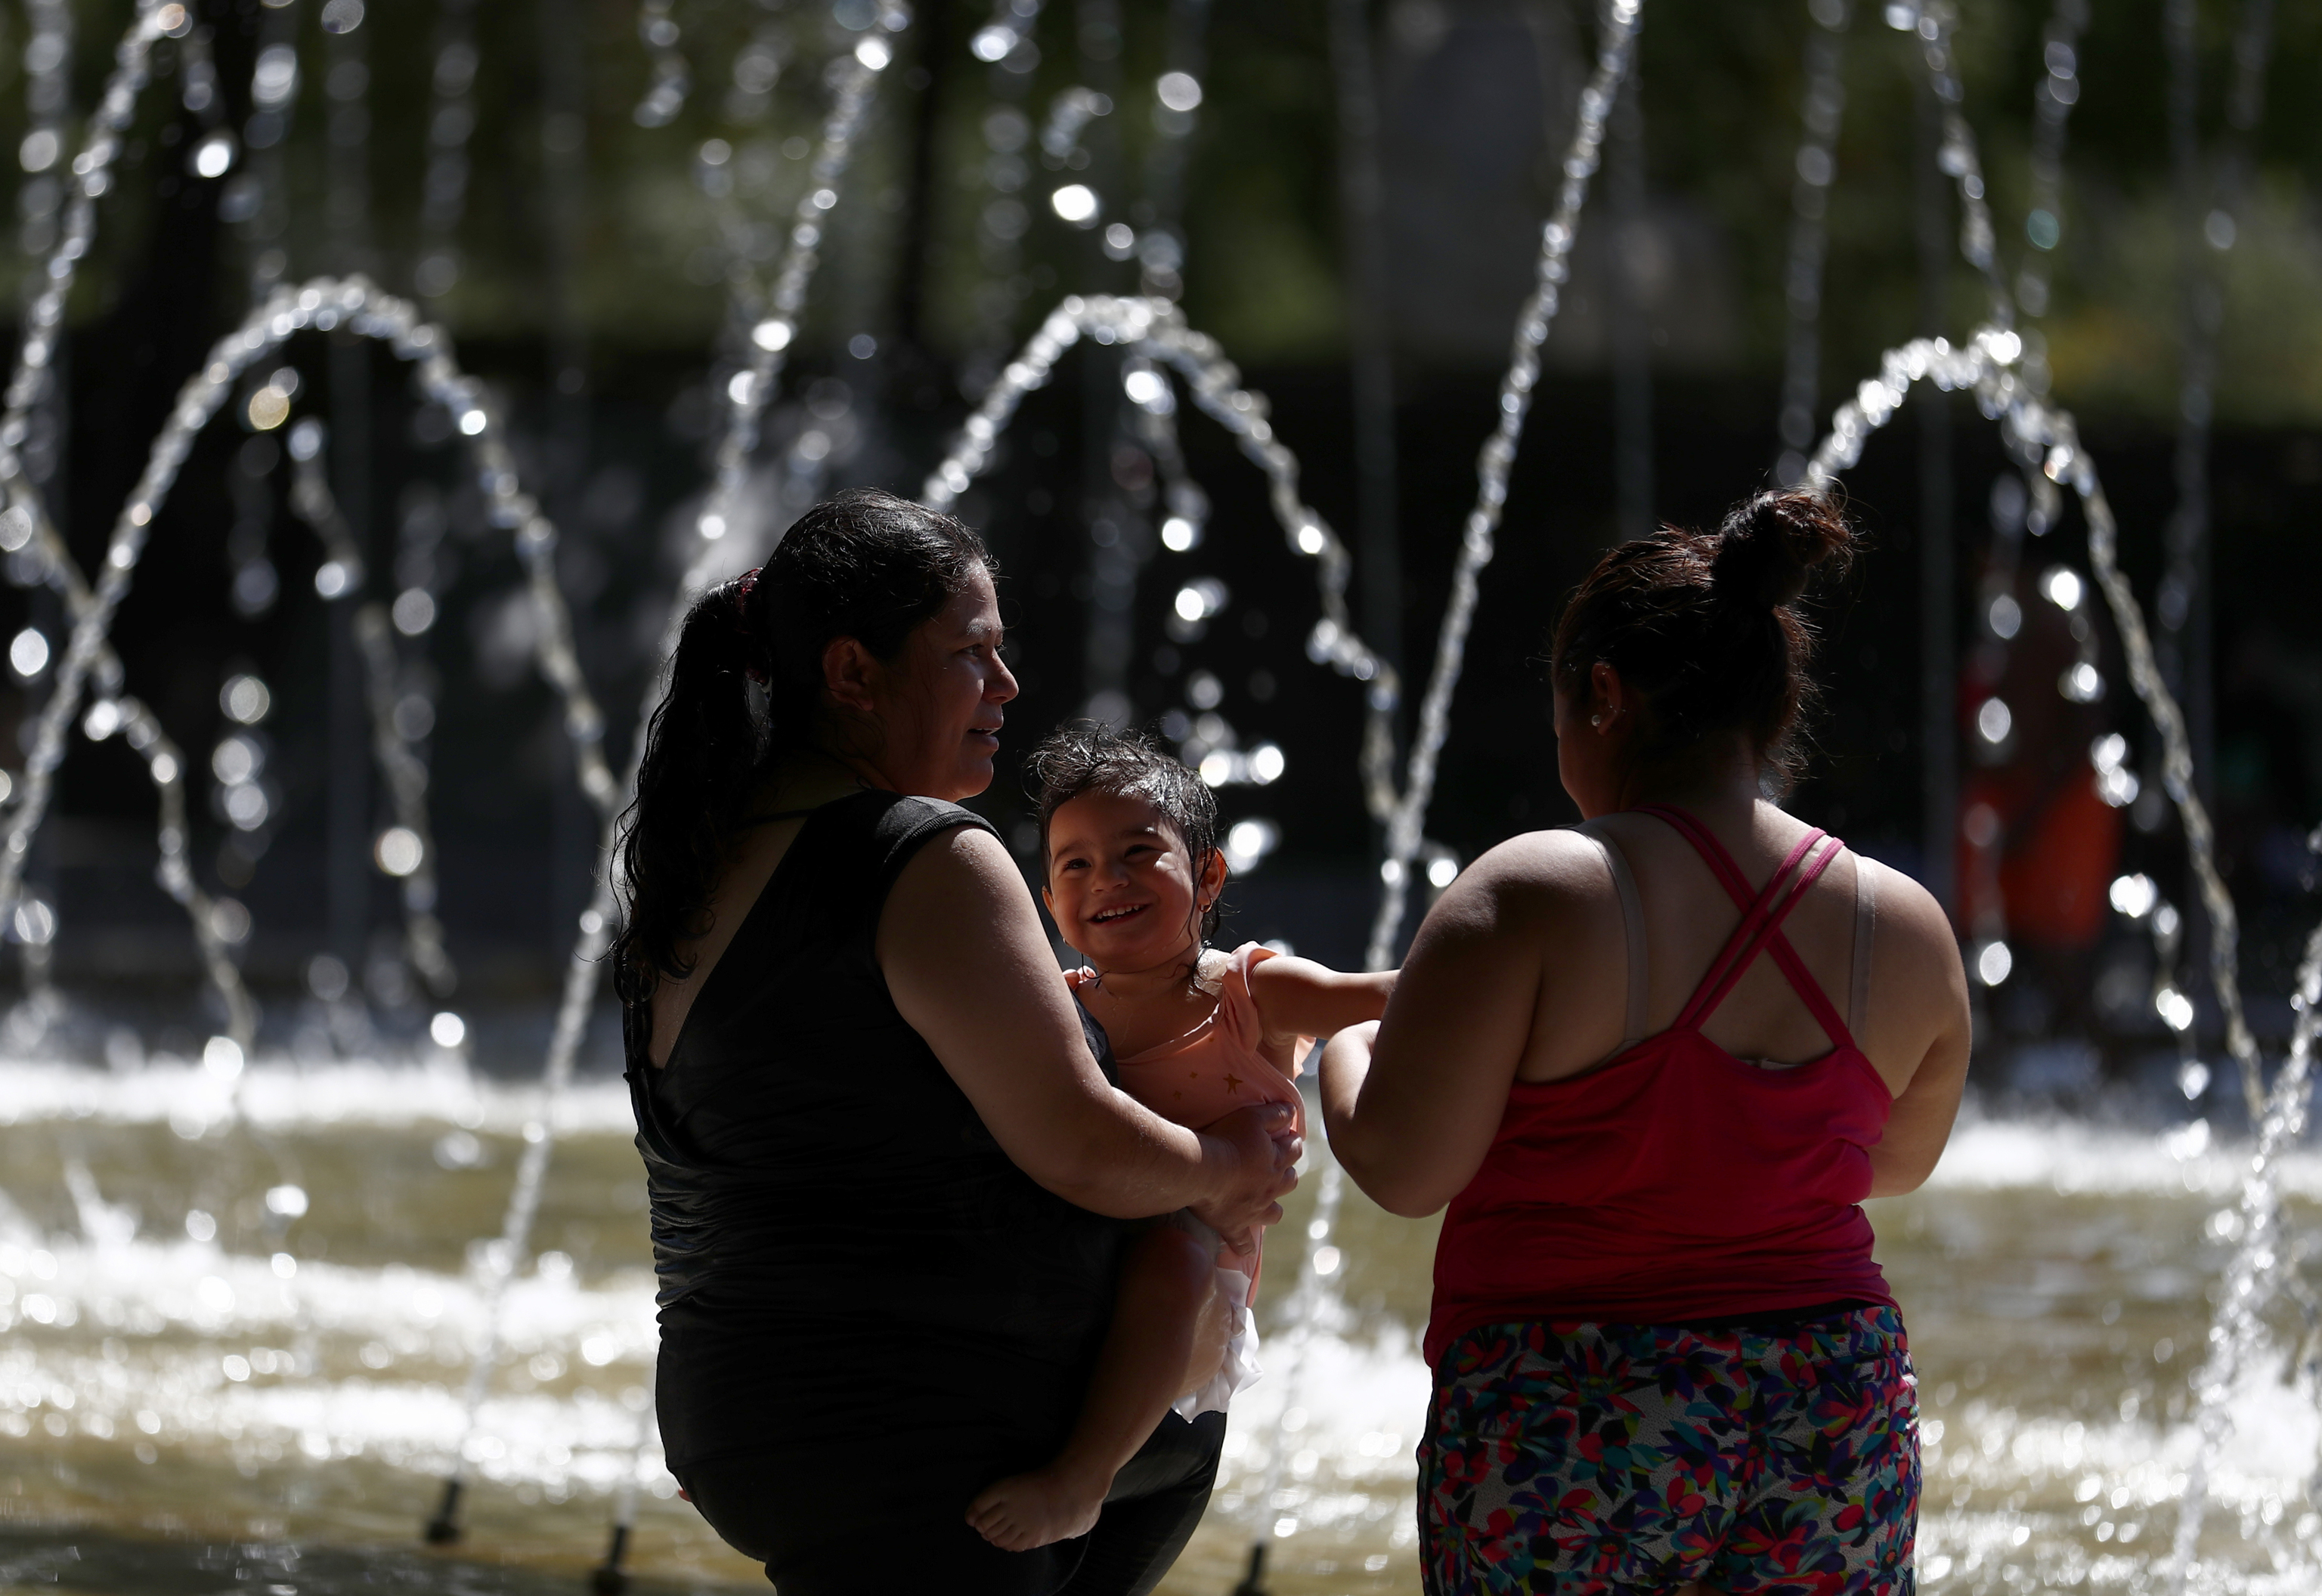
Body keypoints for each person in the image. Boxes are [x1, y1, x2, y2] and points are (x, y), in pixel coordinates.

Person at [614, 489, 1301, 1596]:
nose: (1007, 688)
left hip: (738, 1421)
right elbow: (1078, 1142)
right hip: (936, 1431)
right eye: (971, 655)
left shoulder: (685, 877)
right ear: (852, 674)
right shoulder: (922, 855)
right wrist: (1225, 1169)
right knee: (1174, 1380)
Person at [1319, 488, 1971, 1595]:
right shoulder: (1901, 923)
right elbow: (1891, 1163)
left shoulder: (1534, 890)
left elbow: (1401, 1166)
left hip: (1575, 1399)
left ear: (1605, 697)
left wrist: (1339, 1037)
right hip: (1831, 1403)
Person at [967, 726, 1397, 1552]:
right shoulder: (1053, 1004)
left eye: (1137, 851)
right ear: (1050, 903)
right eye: (1076, 864)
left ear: (1206, 876)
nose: (1108, 879)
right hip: (1077, 1248)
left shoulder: (1247, 992)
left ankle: (1083, 1479)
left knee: (1173, 1247)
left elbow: (1377, 997)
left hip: (1193, 1272)